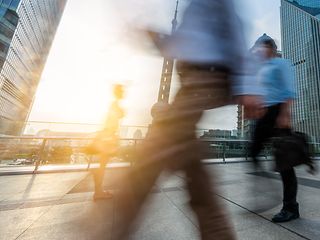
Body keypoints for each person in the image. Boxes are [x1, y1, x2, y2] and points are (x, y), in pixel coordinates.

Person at [112, 1, 263, 239]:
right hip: (193, 81)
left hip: (206, 77)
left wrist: (248, 84)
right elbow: (187, 40)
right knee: (188, 162)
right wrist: (157, 38)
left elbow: (234, 30)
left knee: (152, 155)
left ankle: (114, 226)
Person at [250, 34, 299, 222]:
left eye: (260, 48)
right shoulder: (261, 69)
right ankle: (265, 193)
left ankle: (291, 207)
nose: (257, 52)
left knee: (285, 163)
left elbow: (288, 90)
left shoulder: (281, 64)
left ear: (269, 48)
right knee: (253, 152)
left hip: (278, 111)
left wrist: (285, 114)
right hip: (264, 114)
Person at [89, 84, 125, 200]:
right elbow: (116, 117)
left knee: (103, 164)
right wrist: (110, 137)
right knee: (102, 165)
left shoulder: (114, 104)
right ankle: (98, 192)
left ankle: (99, 190)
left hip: (107, 136)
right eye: (122, 91)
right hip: (108, 137)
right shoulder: (115, 104)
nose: (124, 92)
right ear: (118, 92)